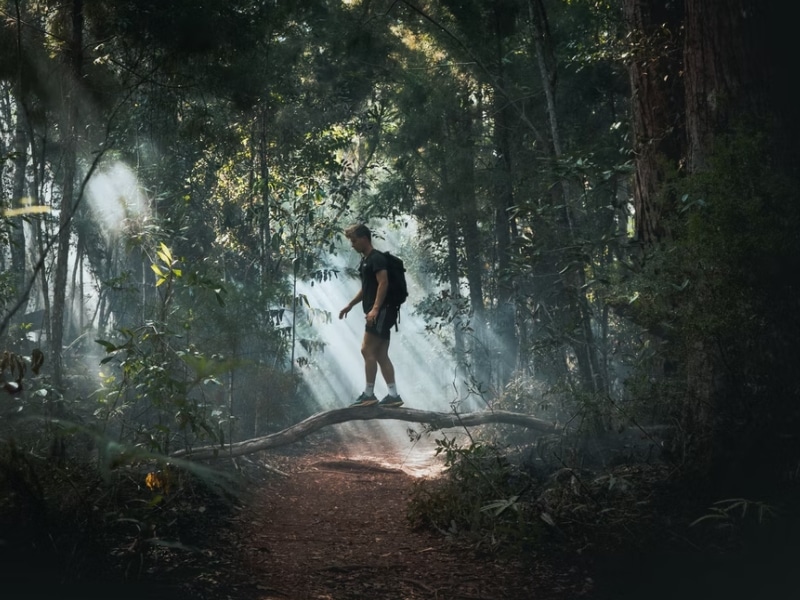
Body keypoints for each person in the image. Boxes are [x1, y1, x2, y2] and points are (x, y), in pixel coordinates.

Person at [338, 224, 404, 407]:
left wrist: (375, 309)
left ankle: (369, 394)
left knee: (366, 350)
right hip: (383, 311)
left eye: (354, 240)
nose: (352, 245)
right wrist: (350, 305)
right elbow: (366, 288)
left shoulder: (377, 259)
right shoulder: (366, 261)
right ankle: (393, 396)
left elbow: (383, 283)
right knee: (381, 354)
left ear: (364, 238)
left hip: (382, 311)